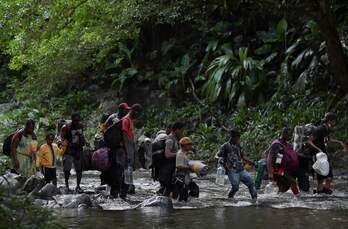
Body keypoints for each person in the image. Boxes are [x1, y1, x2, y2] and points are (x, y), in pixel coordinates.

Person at [104, 104, 143, 199]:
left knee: (126, 174)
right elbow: (125, 137)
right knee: (119, 173)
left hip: (125, 151)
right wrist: (127, 152)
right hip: (122, 152)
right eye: (138, 114)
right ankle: (116, 196)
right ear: (134, 111)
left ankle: (122, 196)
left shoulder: (129, 120)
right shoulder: (126, 120)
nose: (138, 117)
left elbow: (130, 137)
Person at [307, 112, 347, 194]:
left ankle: (324, 192)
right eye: (334, 121)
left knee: (329, 177)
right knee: (321, 179)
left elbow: (328, 140)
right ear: (329, 121)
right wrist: (318, 149)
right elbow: (309, 141)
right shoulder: (320, 129)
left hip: (324, 155)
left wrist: (339, 142)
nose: (335, 123)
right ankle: (320, 193)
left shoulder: (327, 129)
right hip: (318, 156)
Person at [218, 128, 257, 202]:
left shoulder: (238, 145)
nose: (239, 139)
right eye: (238, 138)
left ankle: (255, 200)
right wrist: (223, 164)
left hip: (241, 169)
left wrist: (252, 162)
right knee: (235, 187)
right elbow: (219, 156)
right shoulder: (225, 146)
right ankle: (229, 198)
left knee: (251, 183)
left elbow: (242, 156)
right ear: (234, 137)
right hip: (232, 171)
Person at [268, 127, 300, 196]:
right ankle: (298, 197)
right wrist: (270, 173)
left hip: (284, 170)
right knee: (292, 182)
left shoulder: (286, 145)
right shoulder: (276, 144)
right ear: (284, 134)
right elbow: (270, 158)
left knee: (283, 188)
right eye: (289, 135)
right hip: (277, 170)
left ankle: (278, 198)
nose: (291, 136)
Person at [60, 112, 86, 192]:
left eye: (78, 120)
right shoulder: (66, 127)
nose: (76, 122)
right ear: (72, 120)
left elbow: (82, 136)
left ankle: (78, 186)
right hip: (69, 150)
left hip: (78, 150)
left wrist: (83, 141)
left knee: (79, 169)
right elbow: (62, 139)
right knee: (67, 169)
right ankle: (67, 185)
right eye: (75, 120)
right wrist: (68, 144)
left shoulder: (81, 126)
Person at [159, 122, 184, 197]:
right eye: (181, 130)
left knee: (173, 189)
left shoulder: (175, 138)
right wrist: (179, 154)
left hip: (172, 169)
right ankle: (162, 206)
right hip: (167, 169)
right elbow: (167, 154)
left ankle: (173, 206)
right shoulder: (170, 139)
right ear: (176, 130)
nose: (181, 132)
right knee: (168, 189)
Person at [175, 137, 199, 201]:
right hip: (181, 178)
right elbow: (178, 166)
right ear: (185, 145)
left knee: (195, 190)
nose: (190, 146)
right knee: (183, 197)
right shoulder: (180, 154)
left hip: (186, 177)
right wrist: (190, 168)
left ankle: (190, 203)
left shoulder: (183, 153)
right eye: (189, 145)